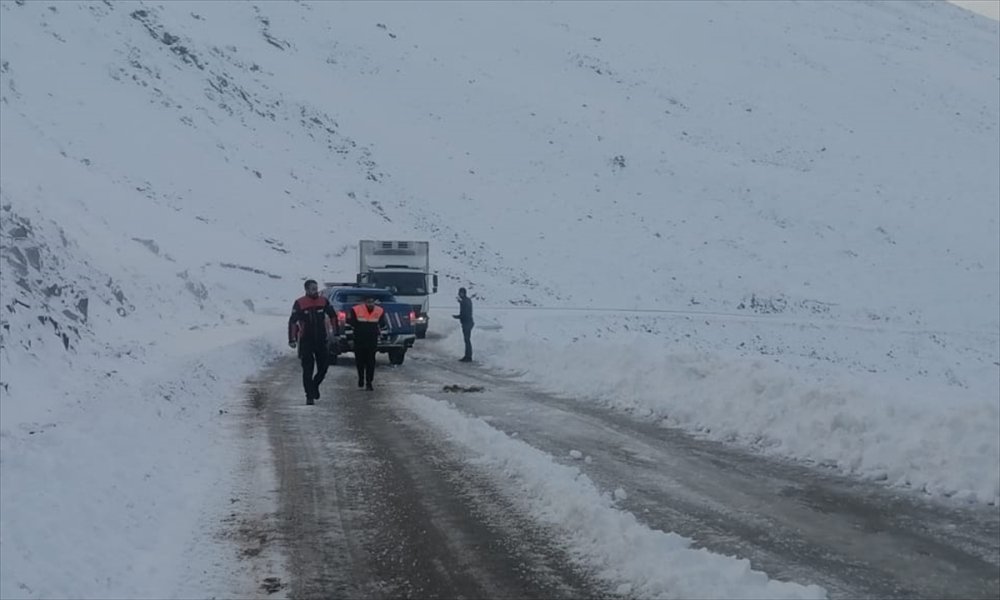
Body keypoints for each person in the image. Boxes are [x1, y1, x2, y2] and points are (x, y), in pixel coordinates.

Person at [288, 279, 337, 405]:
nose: (315, 290)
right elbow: (293, 321)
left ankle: (315, 385)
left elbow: (333, 315)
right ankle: (309, 395)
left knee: (323, 368)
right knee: (307, 369)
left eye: (316, 288)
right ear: (307, 290)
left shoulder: (323, 301)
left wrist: (334, 332)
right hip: (306, 341)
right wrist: (292, 339)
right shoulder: (300, 303)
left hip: (321, 340)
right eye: (312, 288)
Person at [348, 295, 388, 391]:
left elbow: (383, 326)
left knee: (371, 362)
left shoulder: (379, 310)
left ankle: (369, 382)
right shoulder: (355, 310)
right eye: (368, 302)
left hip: (372, 340)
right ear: (364, 302)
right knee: (360, 361)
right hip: (359, 340)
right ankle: (361, 378)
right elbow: (349, 325)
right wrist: (350, 339)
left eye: (372, 302)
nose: (370, 304)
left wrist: (383, 338)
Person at [452, 287, 474, 362]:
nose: (460, 294)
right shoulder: (466, 301)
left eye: (461, 293)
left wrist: (458, 316)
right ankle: (467, 355)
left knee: (467, 340)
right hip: (467, 322)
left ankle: (468, 356)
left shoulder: (465, 301)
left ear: (463, 293)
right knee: (467, 340)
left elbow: (465, 313)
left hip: (467, 322)